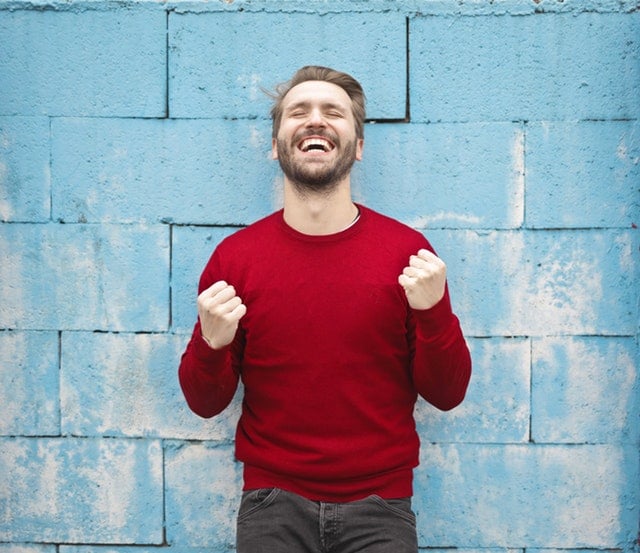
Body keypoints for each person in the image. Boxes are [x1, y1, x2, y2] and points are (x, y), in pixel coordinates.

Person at [178, 65, 472, 553]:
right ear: (277, 144)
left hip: (383, 507)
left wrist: (435, 312)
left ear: (357, 146)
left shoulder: (408, 254)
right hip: (271, 505)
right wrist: (212, 343)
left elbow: (447, 393)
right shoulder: (235, 259)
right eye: (299, 112)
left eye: (332, 112)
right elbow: (204, 402)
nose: (315, 120)